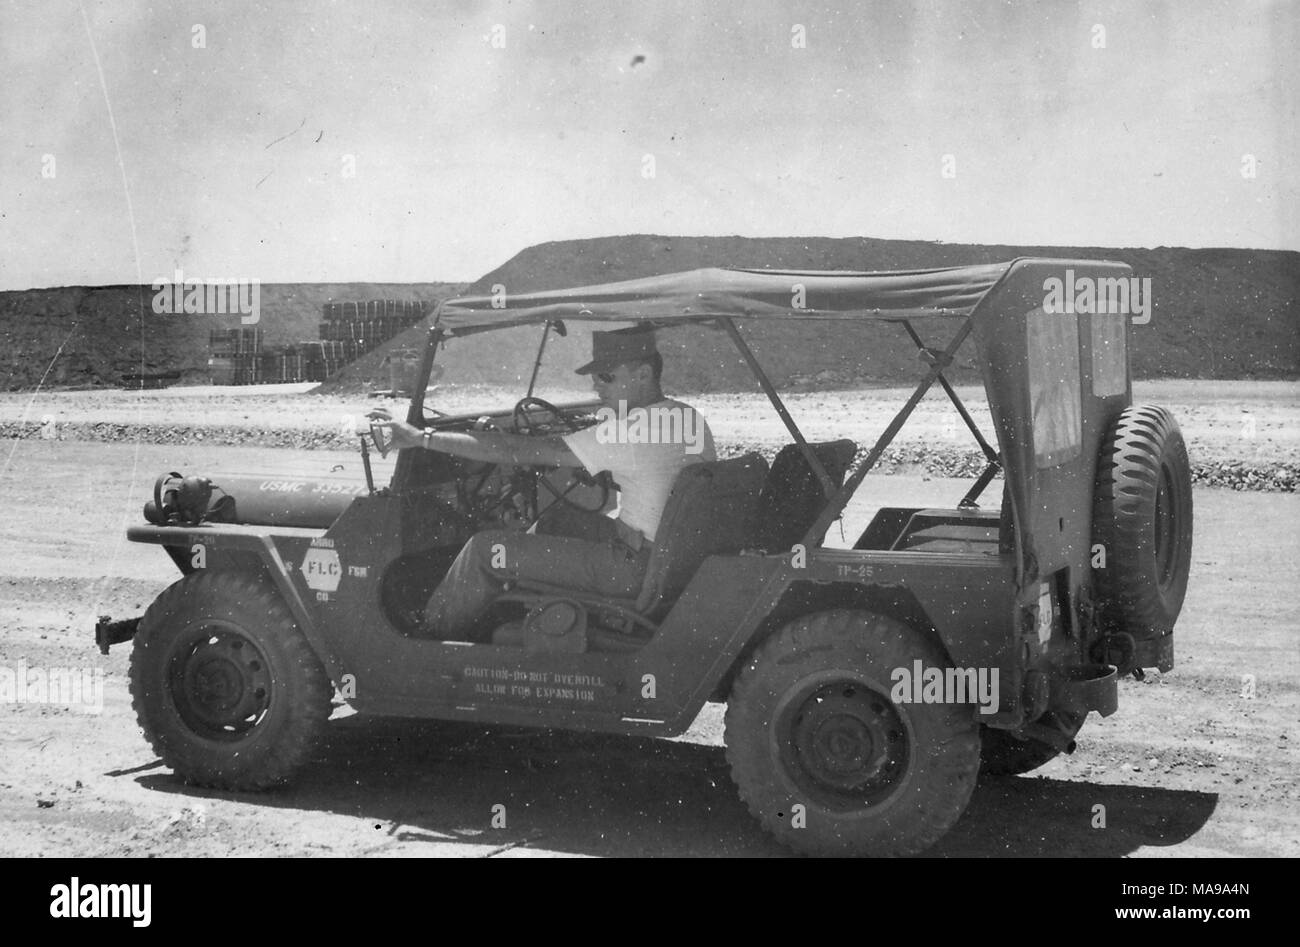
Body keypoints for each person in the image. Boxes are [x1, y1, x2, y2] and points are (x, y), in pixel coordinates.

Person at [369, 327, 716, 639]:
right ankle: (515, 610)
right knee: (554, 519)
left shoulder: (631, 431)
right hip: (661, 557)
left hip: (629, 568)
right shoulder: (685, 416)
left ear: (643, 374)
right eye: (596, 376)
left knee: (486, 550)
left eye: (607, 376)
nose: (597, 386)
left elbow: (517, 450)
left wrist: (422, 438)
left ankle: (430, 631)